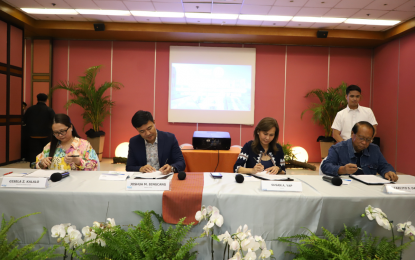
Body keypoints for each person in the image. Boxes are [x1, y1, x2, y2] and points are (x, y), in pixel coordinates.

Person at [321, 121, 398, 181]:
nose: (364, 142)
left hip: (368, 189)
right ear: (352, 134)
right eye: (361, 138)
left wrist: (388, 172)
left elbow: (384, 166)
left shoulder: (374, 149)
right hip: (345, 189)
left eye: (368, 140)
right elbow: (325, 166)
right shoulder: (338, 148)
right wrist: (342, 169)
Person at [23, 93, 55, 165]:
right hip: (46, 134)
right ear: (46, 100)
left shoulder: (30, 109)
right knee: (46, 151)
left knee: (33, 152)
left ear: (37, 99)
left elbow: (24, 120)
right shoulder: (49, 110)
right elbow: (54, 120)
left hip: (32, 135)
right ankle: (45, 164)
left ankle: (33, 165)